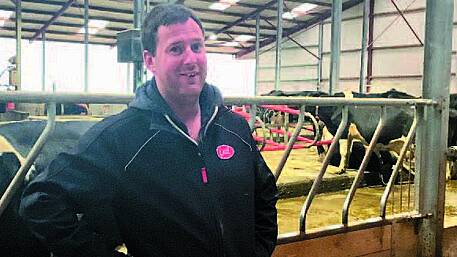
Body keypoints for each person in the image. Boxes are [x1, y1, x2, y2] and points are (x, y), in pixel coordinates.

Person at [19, 4, 278, 257]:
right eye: (176, 49)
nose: (191, 59)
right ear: (150, 60)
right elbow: (41, 200)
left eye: (197, 47)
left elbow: (264, 190)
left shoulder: (233, 127)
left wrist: (259, 248)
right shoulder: (123, 137)